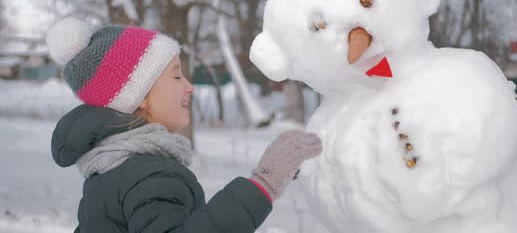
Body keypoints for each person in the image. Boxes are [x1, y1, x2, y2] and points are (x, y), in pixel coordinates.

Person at [46, 17, 322, 233]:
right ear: (139, 96)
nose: (189, 87)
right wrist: (264, 184)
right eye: (176, 76)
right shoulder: (150, 175)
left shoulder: (108, 171)